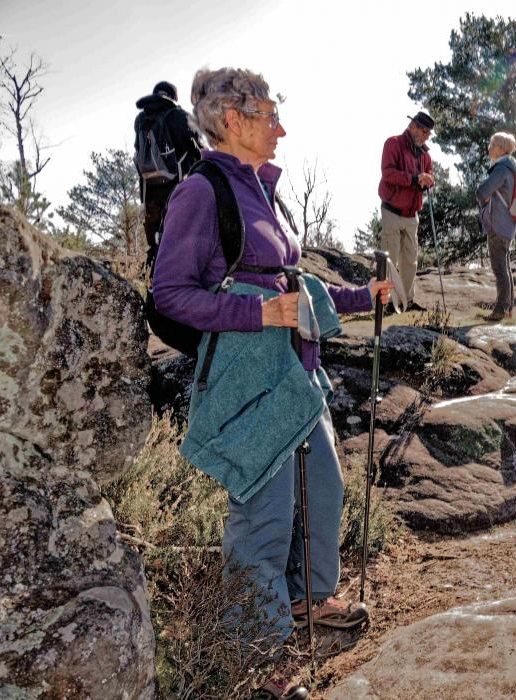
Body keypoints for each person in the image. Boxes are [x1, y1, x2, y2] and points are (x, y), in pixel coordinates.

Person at [152, 67, 392, 700]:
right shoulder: (202, 193)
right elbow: (170, 294)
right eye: (269, 115)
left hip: (294, 374)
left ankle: (308, 600)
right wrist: (254, 313)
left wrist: (363, 296)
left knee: (323, 493)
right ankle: (254, 658)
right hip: (249, 382)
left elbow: (296, 286)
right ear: (232, 119)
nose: (280, 127)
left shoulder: (264, 188)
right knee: (262, 516)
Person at [134, 80, 202, 264]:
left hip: (149, 195)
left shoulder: (141, 120)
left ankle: (150, 288)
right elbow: (199, 151)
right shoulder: (179, 116)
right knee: (179, 244)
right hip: (178, 192)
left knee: (154, 247)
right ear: (174, 96)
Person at [378, 111, 435, 311]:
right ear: (412, 126)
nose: (426, 137)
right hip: (392, 211)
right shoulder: (392, 144)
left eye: (428, 134)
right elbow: (388, 173)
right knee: (390, 259)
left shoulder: (425, 155)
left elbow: (429, 178)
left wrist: (427, 182)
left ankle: (406, 301)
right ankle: (385, 303)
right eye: (424, 131)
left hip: (412, 214)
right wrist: (414, 179)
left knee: (410, 260)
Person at [475, 132, 516, 321]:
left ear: (501, 148)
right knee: (505, 267)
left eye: (492, 144)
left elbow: (482, 192)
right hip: (508, 225)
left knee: (499, 268)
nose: (489, 147)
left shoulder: (501, 169)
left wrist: (483, 199)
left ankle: (500, 310)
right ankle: (508, 308)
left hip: (498, 224)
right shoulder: (511, 168)